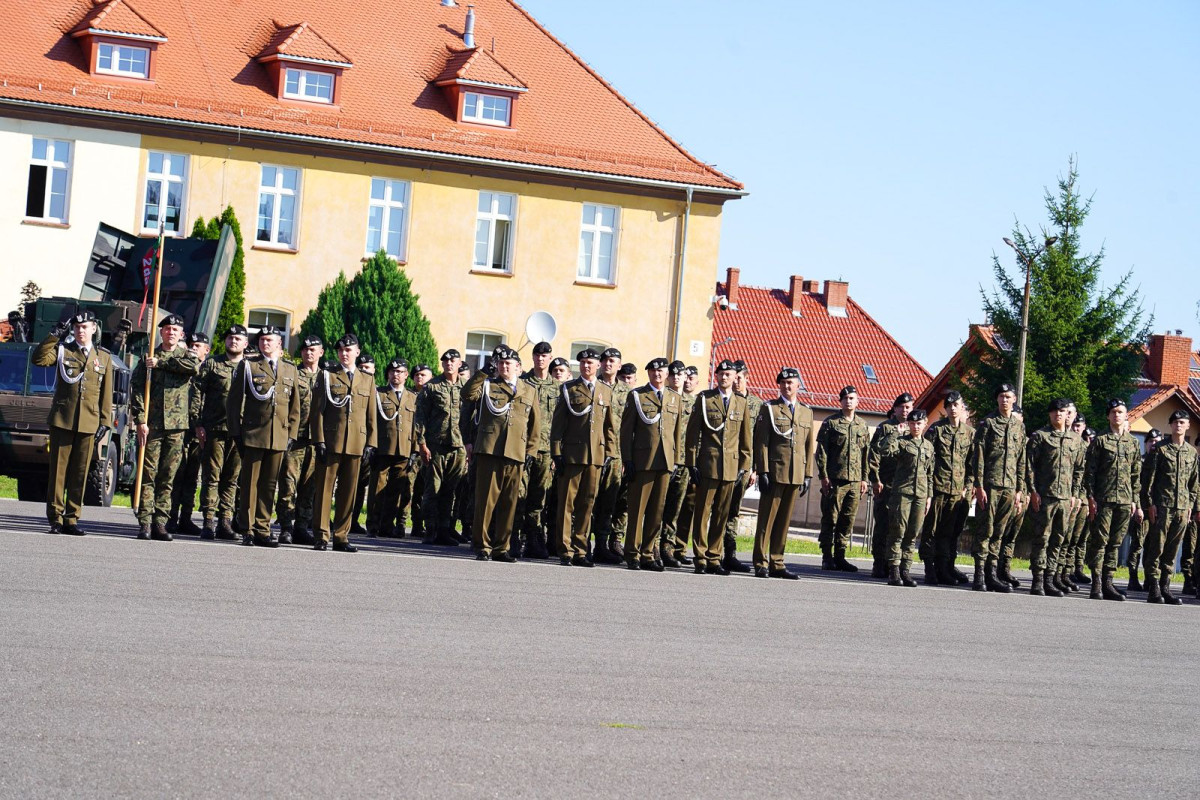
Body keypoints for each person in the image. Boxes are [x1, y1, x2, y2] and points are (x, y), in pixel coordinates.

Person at [31, 310, 115, 536]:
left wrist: (105, 422)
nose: (81, 331)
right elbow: (38, 358)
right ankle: (55, 518)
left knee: (80, 473)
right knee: (58, 472)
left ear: (94, 329)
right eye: (77, 327)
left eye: (85, 327)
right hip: (63, 420)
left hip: (89, 423)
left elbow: (106, 394)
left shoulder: (104, 357)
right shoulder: (62, 351)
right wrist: (54, 334)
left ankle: (72, 518)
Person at [461, 347, 541, 561]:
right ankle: (482, 546)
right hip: (490, 449)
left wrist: (531, 450)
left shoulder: (529, 390)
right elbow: (467, 394)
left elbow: (535, 424)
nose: (505, 366)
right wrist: (482, 372)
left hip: (516, 452)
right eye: (501, 363)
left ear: (519, 367)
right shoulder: (488, 384)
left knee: (509, 502)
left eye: (509, 363)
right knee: (485, 501)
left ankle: (501, 547)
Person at [227, 325, 301, 547]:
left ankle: (263, 528)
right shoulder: (248, 366)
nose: (265, 343)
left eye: (269, 340)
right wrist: (236, 433)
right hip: (253, 434)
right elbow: (233, 403)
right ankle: (248, 528)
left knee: (269, 485)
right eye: (262, 340)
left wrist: (292, 434)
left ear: (279, 344)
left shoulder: (290, 370)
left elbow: (295, 406)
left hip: (279, 435)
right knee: (250, 483)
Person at [131, 314, 201, 540]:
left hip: (177, 426)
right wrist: (140, 420)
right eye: (167, 329)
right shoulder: (148, 357)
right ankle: (145, 522)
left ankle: (161, 521)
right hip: (152, 425)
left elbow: (192, 368)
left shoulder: (185, 356)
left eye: (175, 330)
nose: (171, 332)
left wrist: (161, 363)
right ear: (160, 332)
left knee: (168, 476)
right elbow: (138, 389)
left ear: (181, 335)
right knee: (148, 474)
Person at [550, 348, 616, 566]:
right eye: (583, 362)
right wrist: (556, 453)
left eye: (590, 362)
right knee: (567, 505)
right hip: (572, 455)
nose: (587, 366)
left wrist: (610, 453)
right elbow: (558, 425)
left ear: (598, 365)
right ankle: (565, 550)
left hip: (595, 457)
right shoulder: (569, 388)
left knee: (587, 504)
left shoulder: (605, 390)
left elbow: (609, 427)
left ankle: (581, 549)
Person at [311, 334, 378, 552]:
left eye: (349, 350)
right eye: (341, 351)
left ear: (357, 352)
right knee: (324, 490)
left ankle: (341, 536)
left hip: (356, 442)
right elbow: (317, 412)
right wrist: (319, 440)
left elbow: (371, 416)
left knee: (349, 491)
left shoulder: (367, 379)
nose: (344, 354)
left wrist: (371, 443)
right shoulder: (327, 376)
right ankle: (322, 534)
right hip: (331, 440)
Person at [686, 359, 753, 575]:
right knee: (702, 513)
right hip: (707, 464)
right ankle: (700, 557)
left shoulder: (741, 404)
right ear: (717, 377)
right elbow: (692, 433)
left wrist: (745, 466)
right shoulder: (705, 399)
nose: (724, 378)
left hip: (731, 468)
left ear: (735, 377)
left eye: (729, 374)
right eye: (721, 374)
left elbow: (746, 440)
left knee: (722, 515)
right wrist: (691, 462)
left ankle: (715, 557)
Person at [620, 357, 685, 570]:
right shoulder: (638, 395)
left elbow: (676, 434)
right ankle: (632, 553)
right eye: (654, 371)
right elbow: (626, 430)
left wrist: (675, 461)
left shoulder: (674, 398)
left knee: (657, 511)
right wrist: (627, 459)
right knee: (637, 509)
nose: (658, 374)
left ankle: (648, 553)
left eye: (662, 371)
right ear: (648, 373)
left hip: (665, 461)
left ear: (667, 374)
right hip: (642, 461)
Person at [751, 367, 813, 579]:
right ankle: (761, 562)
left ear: (798, 385)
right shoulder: (769, 409)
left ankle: (777, 562)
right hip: (775, 471)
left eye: (792, 382)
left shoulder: (807, 412)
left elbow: (807, 446)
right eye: (784, 383)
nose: (788, 386)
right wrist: (763, 471)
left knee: (784, 521)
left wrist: (807, 475)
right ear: (779, 385)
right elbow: (762, 443)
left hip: (795, 473)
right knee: (766, 520)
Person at [1024, 398, 1086, 597]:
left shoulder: (1076, 440)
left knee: (1058, 540)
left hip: (1065, 499)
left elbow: (1079, 469)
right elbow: (1029, 466)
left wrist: (1076, 495)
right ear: (1050, 414)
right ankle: (1038, 580)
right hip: (1045, 496)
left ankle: (1050, 579)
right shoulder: (1040, 437)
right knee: (1041, 538)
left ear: (1067, 414)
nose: (1058, 414)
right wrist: (1032, 491)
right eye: (1054, 411)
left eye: (1062, 411)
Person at [969, 383, 1025, 592]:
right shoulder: (988, 423)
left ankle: (992, 573)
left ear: (1014, 400)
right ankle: (979, 575)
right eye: (1001, 396)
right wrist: (979, 485)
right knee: (985, 530)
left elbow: (1021, 459)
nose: (1004, 400)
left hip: (1009, 486)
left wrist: (1020, 488)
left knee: (999, 532)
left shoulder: (1019, 426)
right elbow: (978, 456)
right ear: (997, 400)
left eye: (1008, 397)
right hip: (990, 486)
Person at [1084, 398, 1141, 601]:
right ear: (1108, 416)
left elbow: (1136, 476)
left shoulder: (1133, 443)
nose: (1117, 415)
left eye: (1121, 412)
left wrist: (1135, 500)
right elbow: (1089, 472)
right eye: (1113, 412)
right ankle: (1097, 583)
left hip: (1125, 501)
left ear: (1126, 416)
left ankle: (1108, 582)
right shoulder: (1100, 441)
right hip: (1104, 499)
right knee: (1100, 541)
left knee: (1115, 543)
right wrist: (1091, 497)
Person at [194, 325, 248, 540]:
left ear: (245, 343)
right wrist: (198, 423)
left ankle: (225, 521)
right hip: (214, 428)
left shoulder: (251, 366)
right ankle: (208, 521)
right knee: (211, 477)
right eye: (230, 338)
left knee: (232, 478)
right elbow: (197, 392)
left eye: (238, 338)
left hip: (240, 431)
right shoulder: (212, 364)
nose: (233, 341)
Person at [1140, 410, 1199, 604]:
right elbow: (1148, 480)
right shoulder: (1160, 449)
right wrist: (1149, 504)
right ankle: (1153, 587)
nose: (1179, 425)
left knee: (1173, 549)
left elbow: (1194, 484)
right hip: (1162, 506)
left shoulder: (1191, 452)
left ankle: (1165, 586)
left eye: (1183, 422)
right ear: (1171, 426)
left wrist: (1190, 505)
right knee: (1156, 547)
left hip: (1182, 509)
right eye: (1175, 422)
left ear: (1188, 426)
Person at [917, 391, 973, 585]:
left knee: (948, 533)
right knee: (931, 530)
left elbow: (972, 464)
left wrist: (968, 486)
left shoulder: (969, 433)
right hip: (938, 489)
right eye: (949, 406)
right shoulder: (936, 430)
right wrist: (928, 489)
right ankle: (929, 568)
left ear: (961, 408)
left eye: (956, 405)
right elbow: (926, 460)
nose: (952, 408)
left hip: (958, 492)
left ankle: (944, 568)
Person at [414, 349, 468, 546]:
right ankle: (430, 529)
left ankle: (445, 529)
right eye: (445, 361)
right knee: (432, 489)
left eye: (453, 360)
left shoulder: (466, 387)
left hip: (459, 446)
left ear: (460, 362)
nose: (449, 364)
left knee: (450, 490)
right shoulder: (432, 387)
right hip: (436, 445)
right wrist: (421, 443)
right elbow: (420, 416)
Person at [815, 385, 869, 572]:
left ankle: (841, 556)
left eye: (852, 398)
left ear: (857, 401)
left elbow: (866, 454)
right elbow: (821, 452)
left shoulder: (862, 425)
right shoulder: (831, 423)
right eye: (845, 398)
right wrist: (823, 476)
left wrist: (864, 478)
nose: (849, 401)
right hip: (835, 479)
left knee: (848, 520)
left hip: (855, 481)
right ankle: (827, 557)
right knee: (830, 518)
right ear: (841, 401)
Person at [276, 335, 322, 544]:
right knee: (288, 483)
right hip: (295, 437)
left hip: (317, 439)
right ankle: (286, 526)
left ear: (321, 352)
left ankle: (302, 527)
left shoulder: (327, 377)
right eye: (305, 349)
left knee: (309, 486)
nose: (308, 352)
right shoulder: (293, 374)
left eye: (313, 349)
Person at [367, 359, 419, 538]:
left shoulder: (412, 397)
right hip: (382, 448)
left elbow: (416, 426)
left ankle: (387, 526)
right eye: (392, 371)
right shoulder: (379, 394)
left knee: (396, 490)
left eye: (400, 372)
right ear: (388, 374)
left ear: (406, 375)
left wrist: (415, 450)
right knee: (377, 488)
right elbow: (371, 421)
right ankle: (373, 525)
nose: (395, 375)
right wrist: (371, 446)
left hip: (404, 449)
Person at [882, 409, 934, 587]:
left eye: (919, 423)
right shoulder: (902, 442)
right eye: (912, 423)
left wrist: (929, 496)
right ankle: (894, 571)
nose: (915, 426)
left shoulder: (928, 446)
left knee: (912, 534)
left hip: (920, 494)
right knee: (898, 532)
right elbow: (885, 450)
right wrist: (896, 432)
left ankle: (906, 570)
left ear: (925, 423)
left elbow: (930, 473)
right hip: (902, 493)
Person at [516, 341, 558, 559]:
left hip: (545, 451)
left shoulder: (558, 388)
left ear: (550, 358)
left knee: (539, 498)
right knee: (518, 494)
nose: (541, 359)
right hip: (521, 448)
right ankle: (516, 537)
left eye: (545, 356)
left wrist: (556, 453)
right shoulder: (522, 383)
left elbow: (560, 424)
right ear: (532, 358)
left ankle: (534, 537)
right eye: (537, 355)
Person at [719, 360, 759, 573]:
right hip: (722, 463)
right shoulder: (723, 399)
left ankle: (730, 553)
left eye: (739, 378)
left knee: (733, 510)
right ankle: (713, 553)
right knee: (719, 509)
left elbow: (759, 440)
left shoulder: (756, 405)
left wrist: (755, 468)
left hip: (744, 467)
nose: (735, 382)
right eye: (733, 378)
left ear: (746, 378)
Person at [867, 393, 914, 577]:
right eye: (901, 407)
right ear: (895, 409)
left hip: (905, 485)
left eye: (908, 407)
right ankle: (879, 563)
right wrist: (875, 480)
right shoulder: (885, 428)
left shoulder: (914, 429)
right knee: (883, 525)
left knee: (900, 526)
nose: (905, 410)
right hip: (886, 484)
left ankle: (894, 563)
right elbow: (874, 455)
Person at [169, 331, 210, 535]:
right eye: (191, 344)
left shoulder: (210, 369)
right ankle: (171, 516)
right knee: (175, 474)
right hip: (180, 426)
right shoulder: (182, 364)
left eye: (198, 345)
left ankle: (186, 517)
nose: (194, 348)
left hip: (199, 430)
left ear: (206, 350)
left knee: (192, 476)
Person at [591, 348, 630, 563]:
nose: (608, 364)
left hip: (616, 455)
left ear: (619, 365)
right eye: (604, 360)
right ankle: (582, 543)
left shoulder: (627, 392)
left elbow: (630, 427)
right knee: (588, 499)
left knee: (609, 500)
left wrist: (626, 456)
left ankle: (604, 545)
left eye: (612, 361)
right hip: (593, 451)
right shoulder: (592, 387)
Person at [660, 361, 699, 566]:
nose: (677, 378)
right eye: (673, 374)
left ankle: (669, 546)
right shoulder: (663, 397)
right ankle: (652, 545)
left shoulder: (693, 403)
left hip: (684, 462)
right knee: (659, 505)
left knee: (677, 507)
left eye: (680, 375)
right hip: (664, 459)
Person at [1128, 429, 1164, 591]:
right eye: (1151, 441)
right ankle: (1133, 578)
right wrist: (1138, 508)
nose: (1154, 444)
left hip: (1157, 512)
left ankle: (1150, 579)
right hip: (1141, 511)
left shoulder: (1162, 462)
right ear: (1146, 443)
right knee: (1137, 545)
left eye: (1157, 441)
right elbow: (1134, 487)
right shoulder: (1140, 462)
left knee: (1153, 546)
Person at [349, 352, 377, 534]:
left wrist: (371, 444)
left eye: (367, 368)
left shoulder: (376, 390)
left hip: (366, 445)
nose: (364, 370)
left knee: (360, 486)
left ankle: (353, 519)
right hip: (350, 442)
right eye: (361, 367)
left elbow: (374, 420)